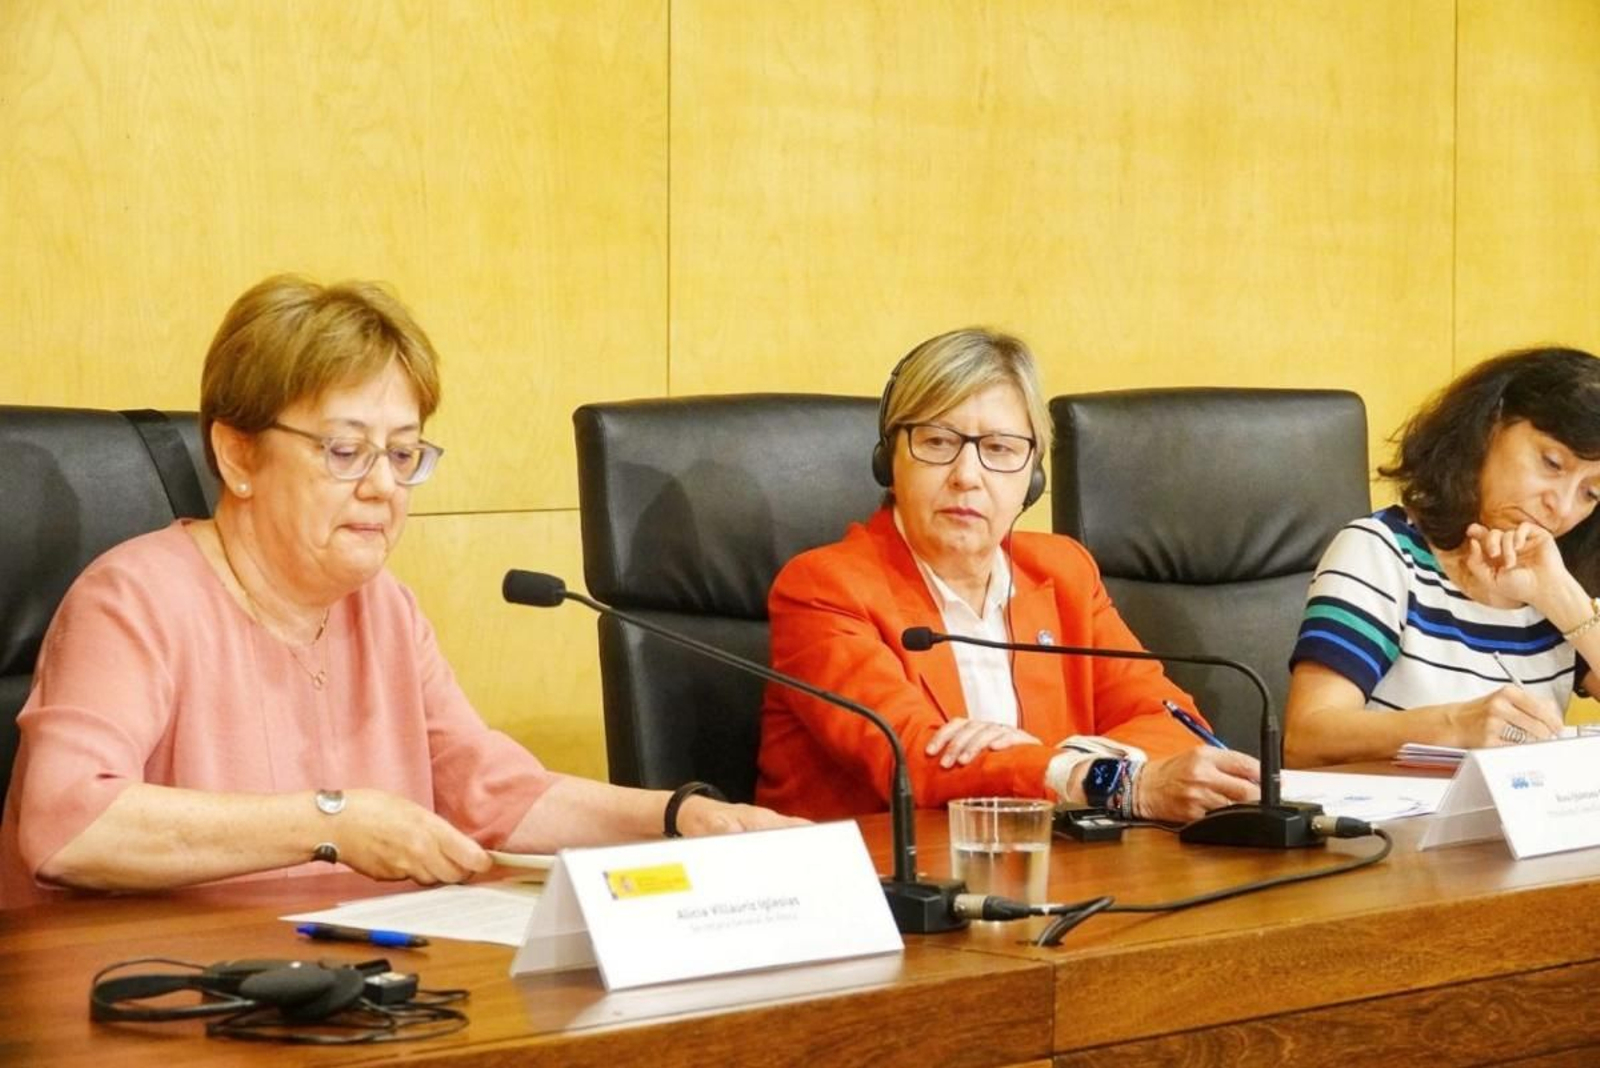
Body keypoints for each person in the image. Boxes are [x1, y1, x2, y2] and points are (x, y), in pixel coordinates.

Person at [0, 275, 798, 907]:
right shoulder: (134, 599)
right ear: (238, 455)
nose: (385, 487)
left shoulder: (383, 608)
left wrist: (676, 817)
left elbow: (490, 790)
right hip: (154, 1006)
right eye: (346, 451)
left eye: (405, 454)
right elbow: (68, 823)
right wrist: (331, 825)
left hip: (344, 995)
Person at [754, 328, 1261, 822]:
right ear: (890, 462)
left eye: (999, 449)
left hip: (1043, 874)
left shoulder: (1063, 573)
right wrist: (1104, 779)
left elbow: (1177, 724)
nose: (967, 476)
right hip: (877, 885)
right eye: (936, 441)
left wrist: (1063, 756)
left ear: (1032, 478)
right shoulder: (823, 589)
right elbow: (914, 760)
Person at [1285, 347, 1600, 766]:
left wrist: (1563, 599)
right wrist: (1455, 725)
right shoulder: (1385, 553)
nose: (1560, 506)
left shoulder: (1561, 575)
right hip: (1391, 827)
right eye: (1552, 463)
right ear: (1490, 425)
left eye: (1591, 493)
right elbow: (1306, 738)